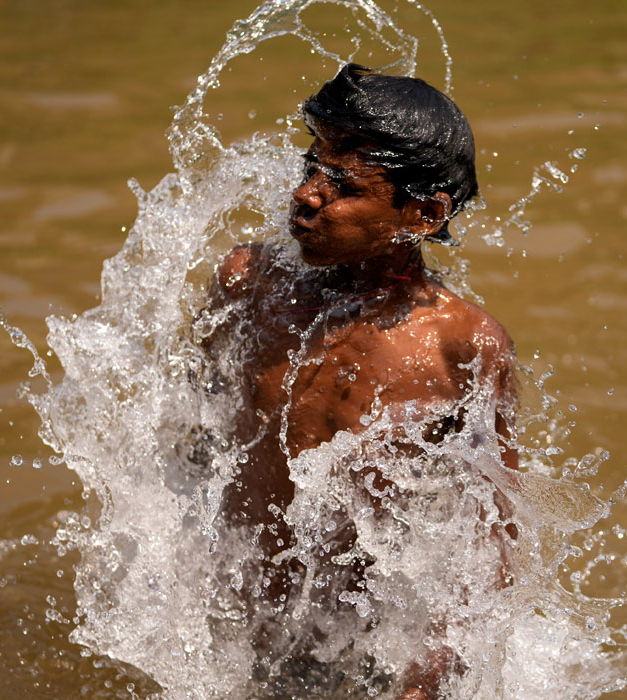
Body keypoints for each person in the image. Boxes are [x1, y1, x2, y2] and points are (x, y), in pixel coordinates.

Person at [197, 63, 517, 700]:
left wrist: (440, 660)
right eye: (310, 166)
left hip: (364, 638)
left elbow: (495, 530)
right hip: (226, 626)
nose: (307, 195)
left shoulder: (460, 347)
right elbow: (196, 417)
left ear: (422, 213)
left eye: (341, 183)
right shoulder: (249, 283)